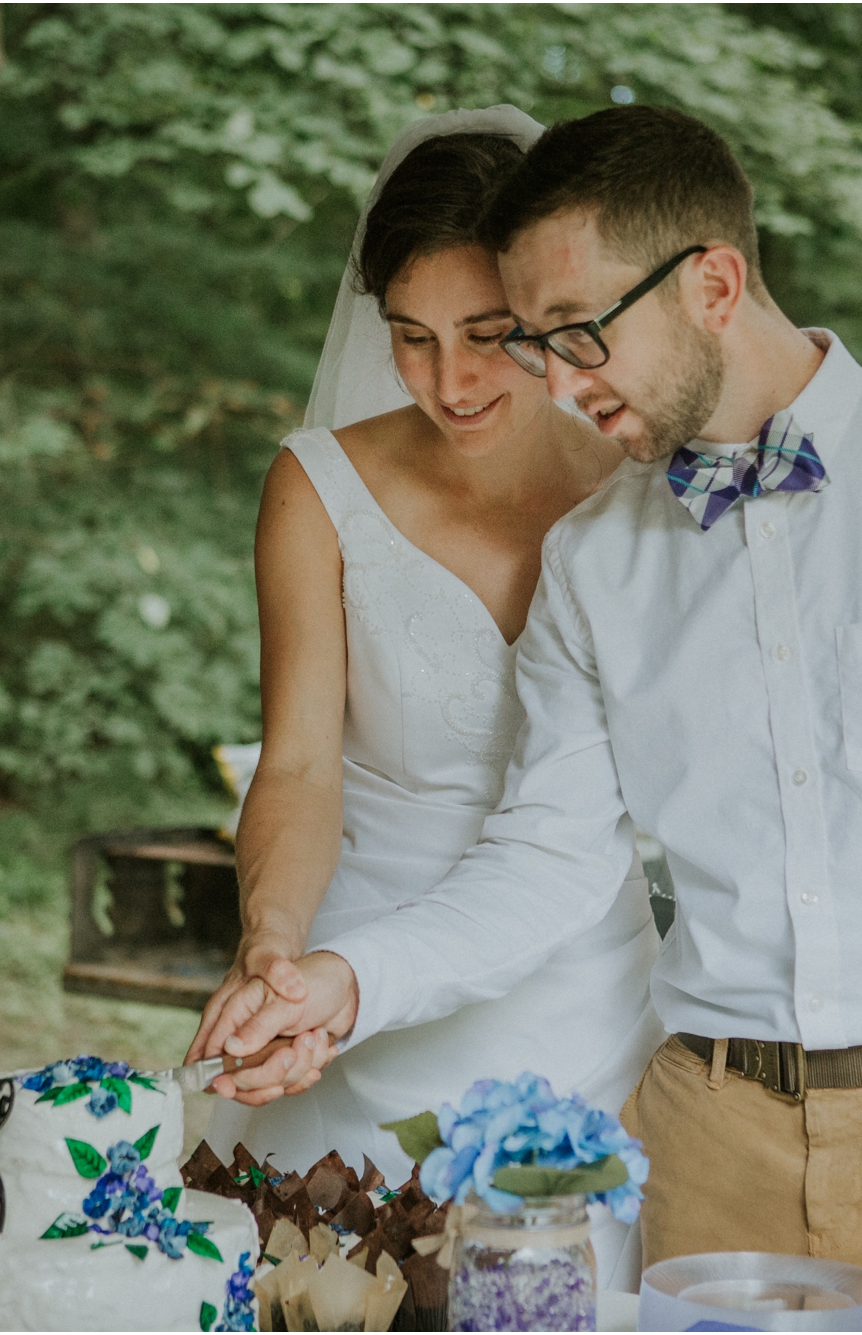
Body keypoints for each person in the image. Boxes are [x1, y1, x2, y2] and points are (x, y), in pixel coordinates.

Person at [208, 105, 862, 1330]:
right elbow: (542, 856)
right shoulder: (591, 561)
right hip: (707, 1151)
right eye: (538, 346)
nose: (560, 387)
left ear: (712, 282)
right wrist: (341, 979)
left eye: (575, 337)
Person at [188, 107, 667, 1283]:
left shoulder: (638, 480)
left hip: (583, 984)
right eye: (409, 337)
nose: (448, 381)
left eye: (489, 334)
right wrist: (273, 947)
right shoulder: (319, 486)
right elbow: (298, 764)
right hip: (352, 975)